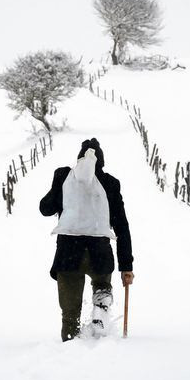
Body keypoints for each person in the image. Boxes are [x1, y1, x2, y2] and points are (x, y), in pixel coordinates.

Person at [39, 137, 134, 341]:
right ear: (102, 162)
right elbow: (122, 226)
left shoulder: (65, 176)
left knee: (70, 317)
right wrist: (126, 265)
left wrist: (58, 187)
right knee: (102, 286)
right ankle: (101, 304)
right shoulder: (110, 184)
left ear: (78, 159)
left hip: (67, 254)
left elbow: (45, 208)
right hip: (99, 253)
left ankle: (70, 349)